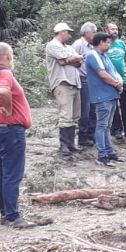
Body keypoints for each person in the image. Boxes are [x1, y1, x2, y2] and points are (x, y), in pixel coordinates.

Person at [0, 42, 35, 228]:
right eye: (11, 54)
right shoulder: (4, 73)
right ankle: (13, 216)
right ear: (7, 56)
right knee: (12, 174)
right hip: (9, 130)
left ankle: (5, 213)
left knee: (2, 173)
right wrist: (10, 109)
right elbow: (2, 90)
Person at [45, 22, 83, 156]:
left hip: (74, 82)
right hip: (62, 82)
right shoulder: (52, 45)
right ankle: (64, 145)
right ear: (62, 32)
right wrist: (70, 59)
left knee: (74, 115)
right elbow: (66, 59)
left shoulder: (69, 47)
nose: (69, 35)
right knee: (65, 115)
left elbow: (77, 61)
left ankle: (71, 143)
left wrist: (69, 60)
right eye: (68, 32)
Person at [86, 32, 124, 167]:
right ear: (101, 42)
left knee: (107, 126)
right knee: (102, 126)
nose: (109, 45)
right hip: (102, 96)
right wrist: (116, 84)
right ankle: (102, 155)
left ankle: (109, 152)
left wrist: (119, 83)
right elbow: (102, 74)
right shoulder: (92, 55)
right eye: (107, 42)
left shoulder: (104, 56)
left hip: (111, 95)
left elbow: (113, 72)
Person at [106, 22, 126, 139]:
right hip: (110, 80)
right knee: (113, 106)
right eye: (112, 29)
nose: (115, 31)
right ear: (107, 30)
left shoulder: (121, 44)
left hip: (123, 79)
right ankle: (116, 129)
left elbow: (124, 59)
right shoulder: (105, 44)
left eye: (116, 29)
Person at [73, 22, 98, 147]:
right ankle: (82, 136)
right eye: (93, 32)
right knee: (85, 110)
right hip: (82, 79)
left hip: (92, 80)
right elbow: (72, 61)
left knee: (94, 109)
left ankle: (91, 135)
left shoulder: (93, 46)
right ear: (87, 33)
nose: (95, 34)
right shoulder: (78, 44)